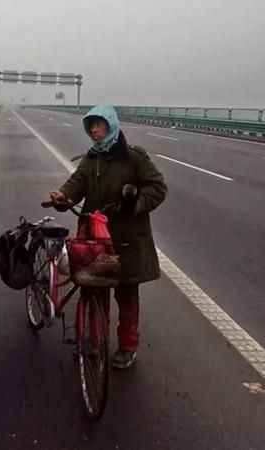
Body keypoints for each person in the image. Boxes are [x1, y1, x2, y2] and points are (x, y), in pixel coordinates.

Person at [49, 105, 167, 369]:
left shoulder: (133, 157)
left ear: (111, 125)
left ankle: (127, 347)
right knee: (95, 291)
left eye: (99, 125)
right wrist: (63, 196)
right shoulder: (91, 158)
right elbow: (76, 183)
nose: (94, 130)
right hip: (96, 240)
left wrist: (136, 203)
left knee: (126, 295)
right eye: (91, 126)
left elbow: (158, 188)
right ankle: (95, 340)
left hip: (127, 240)